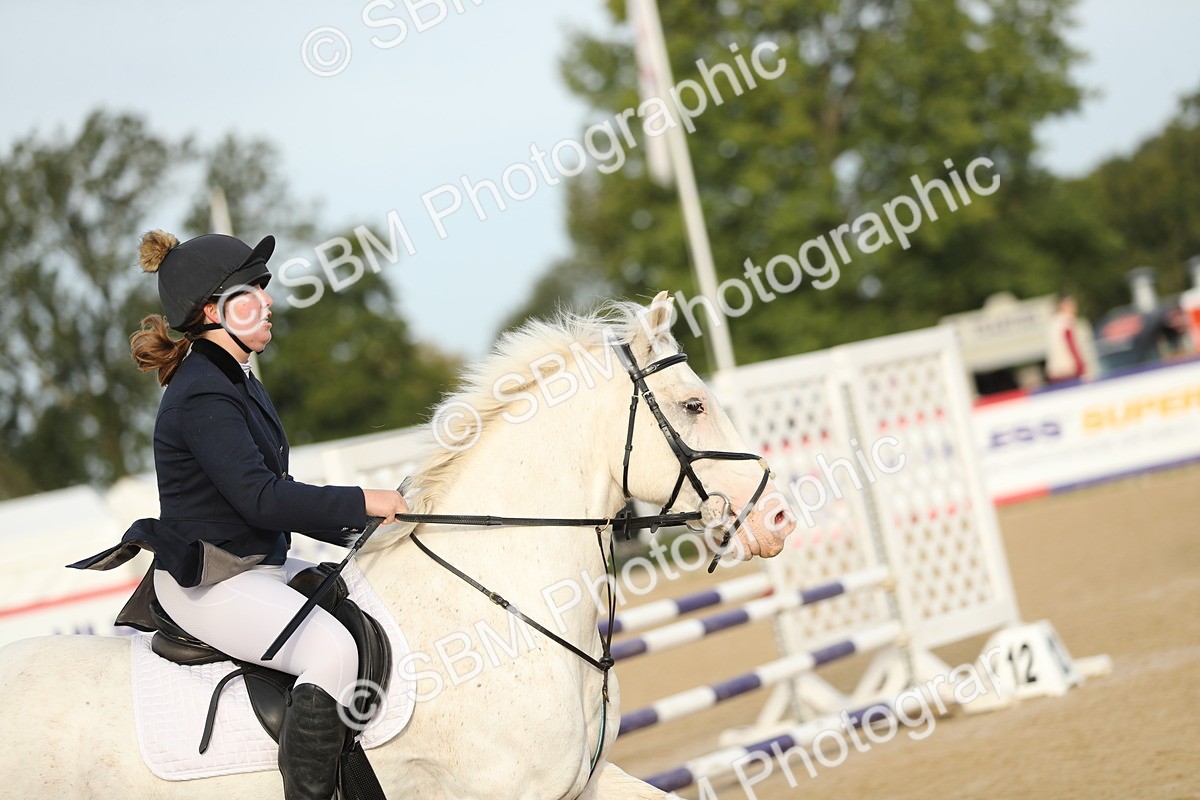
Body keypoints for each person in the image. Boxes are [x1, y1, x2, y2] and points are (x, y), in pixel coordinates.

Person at [70, 229, 408, 800]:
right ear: (212, 310)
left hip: (253, 564)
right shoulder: (203, 389)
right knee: (330, 651)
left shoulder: (235, 378)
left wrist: (365, 522)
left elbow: (275, 494)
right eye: (252, 290)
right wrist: (362, 500)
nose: (269, 299)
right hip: (214, 578)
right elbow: (262, 497)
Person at [1044, 292, 1091, 383]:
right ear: (1063, 305)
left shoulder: (1053, 322)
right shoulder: (1066, 320)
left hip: (1055, 371)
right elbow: (1071, 345)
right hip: (1069, 370)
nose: (1074, 308)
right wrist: (1081, 367)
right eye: (1071, 305)